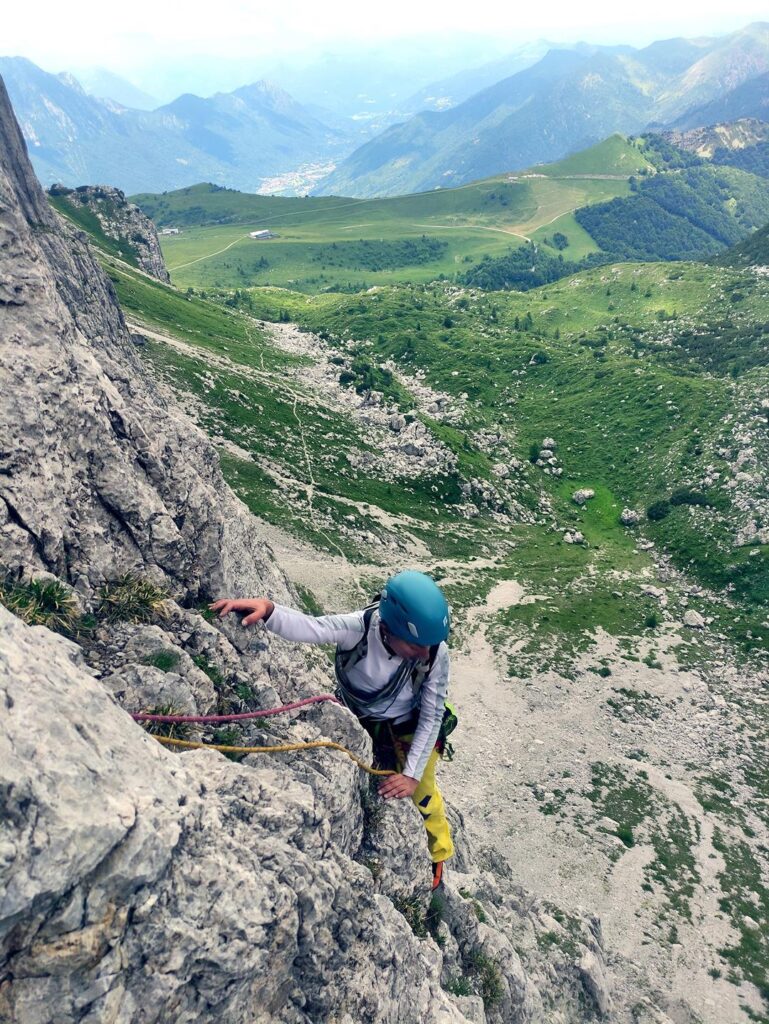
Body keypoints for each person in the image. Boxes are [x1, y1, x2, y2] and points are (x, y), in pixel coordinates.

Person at [210, 570, 454, 889]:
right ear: (390, 627)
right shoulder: (360, 628)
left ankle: (439, 854)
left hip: (408, 727)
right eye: (416, 644)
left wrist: (410, 775)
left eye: (430, 644)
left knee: (423, 793)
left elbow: (432, 714)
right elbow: (314, 628)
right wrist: (270, 610)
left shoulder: (435, 653)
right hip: (360, 717)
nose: (425, 653)